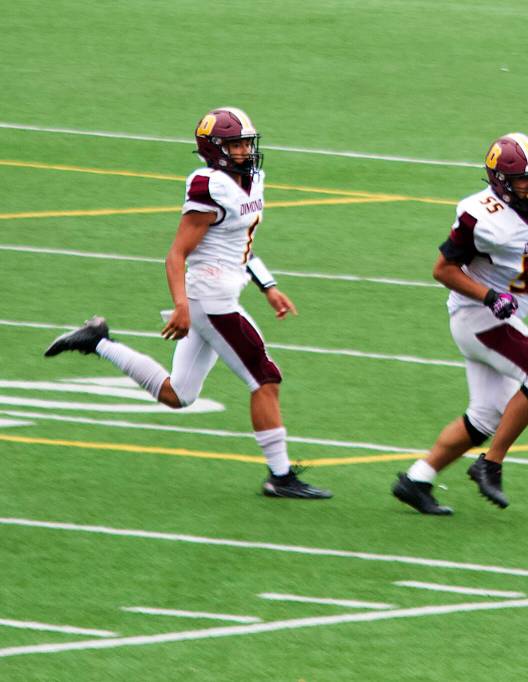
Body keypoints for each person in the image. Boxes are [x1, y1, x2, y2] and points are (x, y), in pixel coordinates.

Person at [44, 107, 331, 500]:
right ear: (214, 149)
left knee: (178, 395)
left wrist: (267, 285)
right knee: (265, 378)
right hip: (211, 300)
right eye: (236, 144)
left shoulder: (251, 179)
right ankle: (280, 476)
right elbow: (177, 253)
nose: (246, 150)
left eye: (247, 142)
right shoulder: (208, 184)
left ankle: (97, 342)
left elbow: (237, 244)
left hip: (218, 294)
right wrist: (180, 305)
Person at [391, 132, 528, 515]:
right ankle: (490, 464)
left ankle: (417, 479)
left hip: (503, 316)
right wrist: (490, 297)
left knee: (485, 416)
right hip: (479, 318)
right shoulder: (481, 218)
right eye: (522, 179)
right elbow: (442, 270)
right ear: (499, 182)